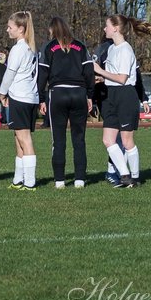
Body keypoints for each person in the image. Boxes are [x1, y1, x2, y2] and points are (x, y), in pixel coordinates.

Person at [92, 14, 151, 188]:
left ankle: (135, 178)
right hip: (111, 95)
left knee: (127, 141)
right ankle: (125, 175)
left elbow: (122, 78)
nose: (104, 29)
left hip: (125, 95)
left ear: (115, 28)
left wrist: (100, 71)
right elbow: (113, 76)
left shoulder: (125, 49)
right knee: (108, 140)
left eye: (107, 26)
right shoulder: (112, 49)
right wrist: (101, 80)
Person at [39, 16, 95, 189]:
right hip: (79, 93)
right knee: (79, 139)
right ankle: (79, 180)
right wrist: (90, 95)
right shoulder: (80, 46)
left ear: (53, 30)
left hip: (58, 93)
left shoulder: (48, 47)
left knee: (58, 139)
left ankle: (59, 181)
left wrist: (41, 98)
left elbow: (42, 75)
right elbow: (89, 72)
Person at [0, 11, 39, 191]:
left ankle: (30, 182)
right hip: (30, 96)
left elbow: (10, 73)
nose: (7, 30)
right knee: (18, 137)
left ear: (21, 29)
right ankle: (18, 179)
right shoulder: (31, 48)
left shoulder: (19, 48)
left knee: (25, 138)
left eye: (10, 27)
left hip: (20, 97)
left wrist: (2, 92)